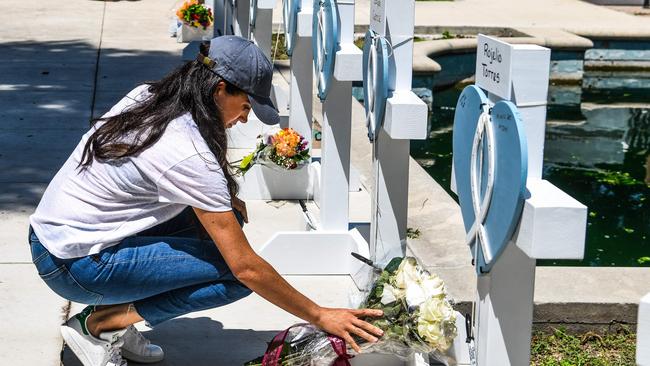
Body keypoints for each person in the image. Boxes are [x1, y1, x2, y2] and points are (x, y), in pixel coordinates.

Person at [28, 36, 383, 366]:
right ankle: (101, 324)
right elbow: (246, 267)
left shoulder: (150, 96)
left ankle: (117, 315)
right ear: (220, 89)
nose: (244, 118)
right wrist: (320, 314)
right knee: (235, 277)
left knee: (222, 226)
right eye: (245, 106)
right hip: (76, 266)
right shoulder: (187, 154)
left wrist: (225, 196)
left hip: (53, 238)